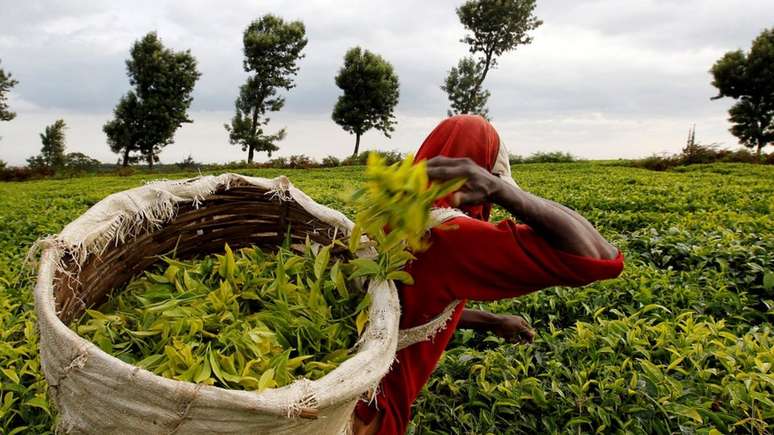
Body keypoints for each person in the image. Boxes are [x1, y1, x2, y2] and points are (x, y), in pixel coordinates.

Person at [352, 115, 624, 435]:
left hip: (352, 387)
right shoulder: (450, 234)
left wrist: (491, 321)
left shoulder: (385, 215)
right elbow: (598, 256)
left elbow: (408, 305)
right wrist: (500, 190)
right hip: (375, 410)